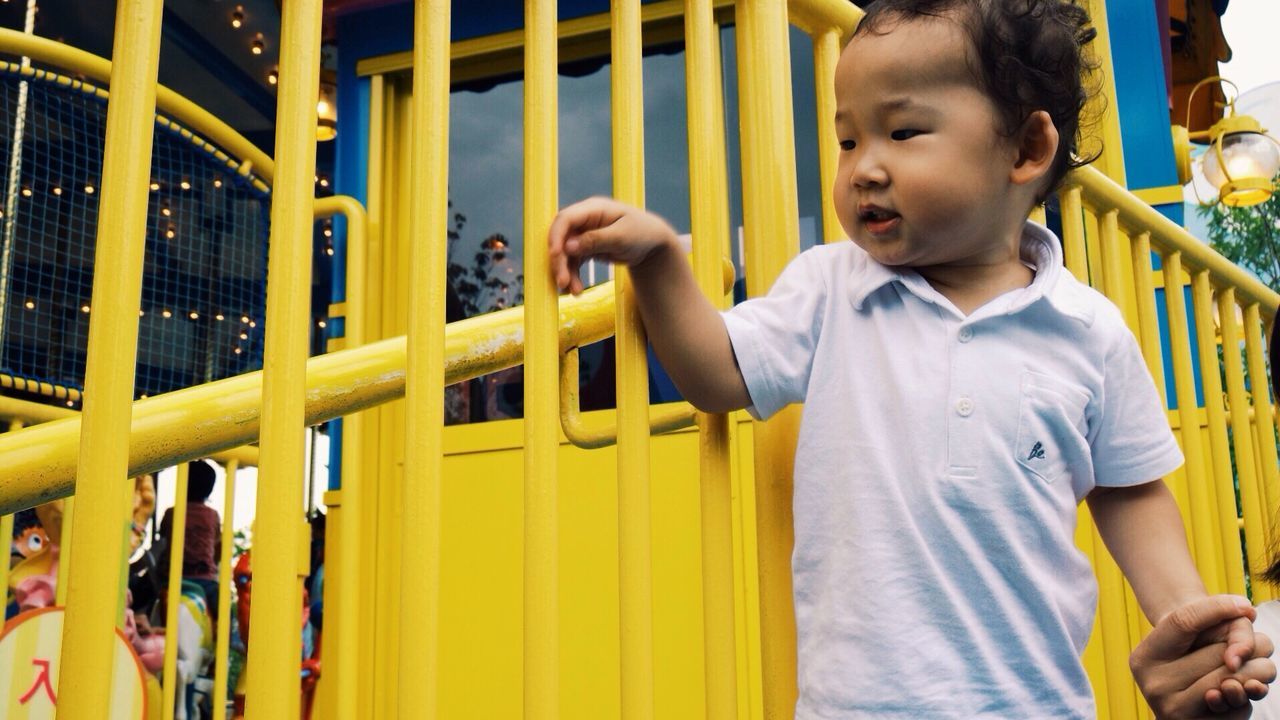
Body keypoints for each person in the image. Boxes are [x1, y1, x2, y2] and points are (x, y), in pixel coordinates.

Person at [547, 0, 1265, 716]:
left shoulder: (1087, 329)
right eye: (848, 141)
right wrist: (659, 260)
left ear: (1025, 150)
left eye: (903, 131)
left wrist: (1188, 622)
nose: (864, 169)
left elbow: (1130, 491)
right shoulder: (830, 290)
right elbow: (717, 372)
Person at [158, 459, 222, 621]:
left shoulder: (172, 513)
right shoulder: (212, 516)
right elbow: (217, 546)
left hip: (173, 577)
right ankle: (227, 636)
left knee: (155, 596)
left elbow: (162, 537)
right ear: (210, 488)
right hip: (204, 580)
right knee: (222, 608)